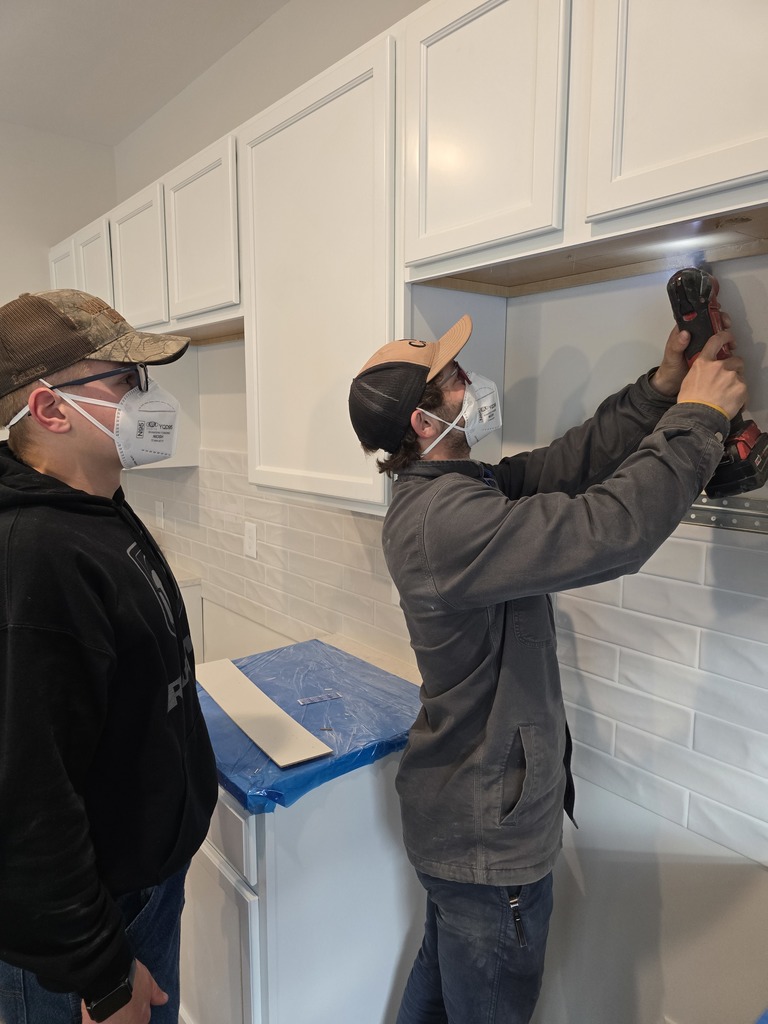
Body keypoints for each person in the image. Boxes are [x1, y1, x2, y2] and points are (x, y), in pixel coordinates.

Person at [348, 312, 747, 1024]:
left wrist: (660, 391)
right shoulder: (449, 523)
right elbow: (608, 530)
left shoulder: (456, 492)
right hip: (485, 836)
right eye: (453, 379)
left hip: (459, 819)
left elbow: (566, 465)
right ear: (421, 418)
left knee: (439, 991)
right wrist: (700, 418)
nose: (472, 383)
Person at [0, 289, 219, 1023]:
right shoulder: (35, 558)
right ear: (51, 410)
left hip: (141, 894)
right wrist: (105, 976)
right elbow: (26, 800)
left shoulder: (95, 507)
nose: (145, 399)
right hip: (90, 940)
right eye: (124, 381)